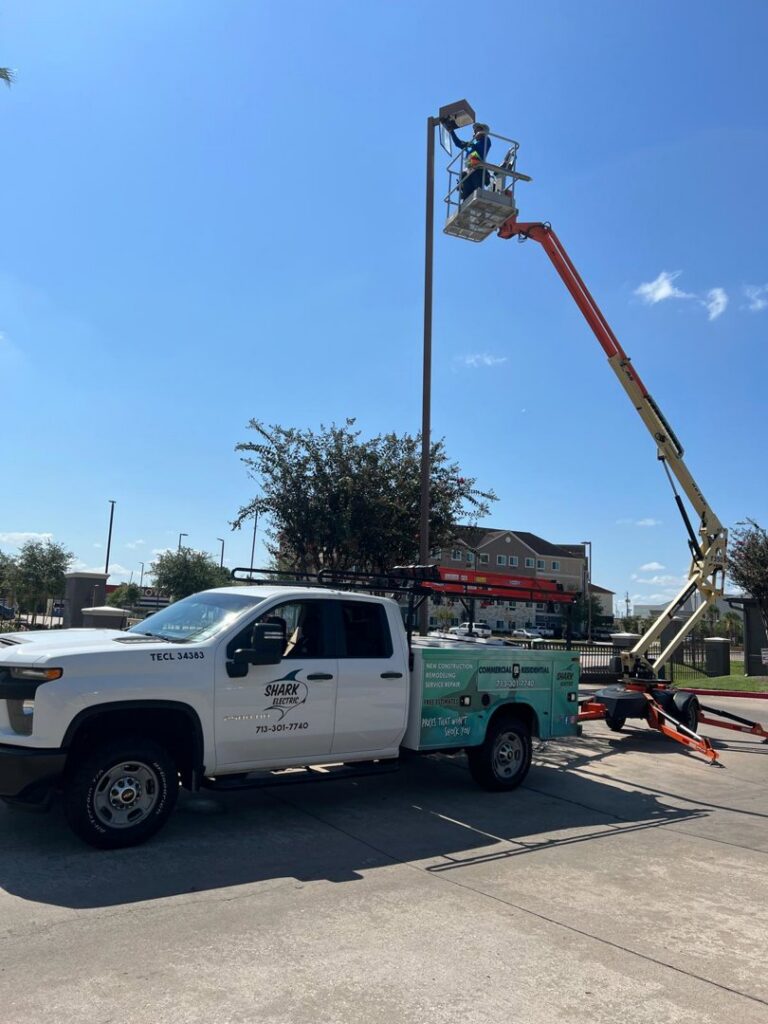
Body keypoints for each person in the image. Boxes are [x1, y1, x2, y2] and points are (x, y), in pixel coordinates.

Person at [448, 122, 491, 202]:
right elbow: (458, 143)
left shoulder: (486, 140)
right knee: (466, 194)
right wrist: (451, 131)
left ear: (483, 132)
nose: (474, 132)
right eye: (474, 130)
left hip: (478, 171)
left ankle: (478, 197)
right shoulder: (472, 145)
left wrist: (469, 145)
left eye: (477, 130)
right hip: (469, 172)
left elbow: (480, 149)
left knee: (477, 192)